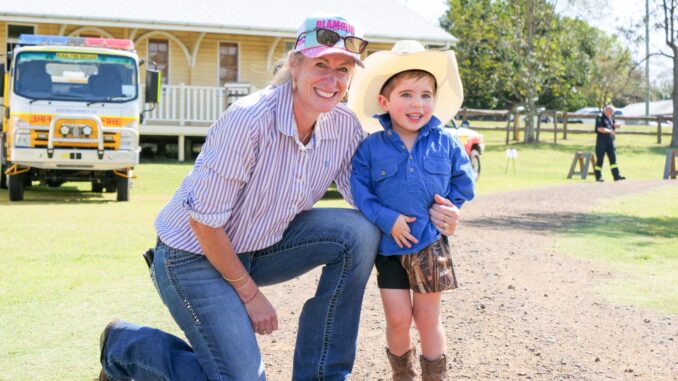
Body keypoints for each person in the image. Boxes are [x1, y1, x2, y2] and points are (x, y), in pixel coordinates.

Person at [98, 14, 463, 381]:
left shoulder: (344, 126)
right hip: (192, 256)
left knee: (359, 231)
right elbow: (203, 221)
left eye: (342, 69)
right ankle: (125, 346)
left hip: (261, 247)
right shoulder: (248, 120)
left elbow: (371, 195)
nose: (331, 79)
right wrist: (250, 295)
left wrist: (438, 212)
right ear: (294, 64)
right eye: (321, 64)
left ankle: (322, 375)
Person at [347, 40, 475, 381]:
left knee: (427, 319)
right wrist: (386, 219)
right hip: (389, 248)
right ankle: (402, 375)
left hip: (430, 245)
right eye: (406, 95)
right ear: (384, 102)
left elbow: (465, 185)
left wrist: (452, 211)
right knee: (399, 319)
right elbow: (360, 192)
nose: (417, 103)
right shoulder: (370, 147)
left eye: (425, 95)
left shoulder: (446, 142)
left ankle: (436, 376)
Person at [594, 105, 626, 182]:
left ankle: (616, 176)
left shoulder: (610, 117)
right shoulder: (600, 117)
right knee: (600, 160)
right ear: (606, 110)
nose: (611, 114)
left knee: (613, 159)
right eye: (610, 112)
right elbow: (599, 129)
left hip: (610, 142)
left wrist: (617, 124)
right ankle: (598, 177)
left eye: (612, 113)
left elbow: (615, 124)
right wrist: (610, 131)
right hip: (601, 142)